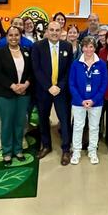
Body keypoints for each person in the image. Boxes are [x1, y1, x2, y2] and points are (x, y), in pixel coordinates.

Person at [32, 21, 74, 165]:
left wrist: (60, 86)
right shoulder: (38, 46)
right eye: (52, 30)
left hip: (61, 91)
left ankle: (66, 149)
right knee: (43, 119)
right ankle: (46, 145)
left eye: (57, 30)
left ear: (61, 31)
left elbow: (69, 69)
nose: (55, 32)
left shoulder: (67, 46)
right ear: (47, 31)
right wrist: (49, 86)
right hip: (44, 90)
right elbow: (36, 69)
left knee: (64, 119)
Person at [0, 26, 33, 166]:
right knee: (7, 123)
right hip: (5, 94)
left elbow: (31, 71)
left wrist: (26, 85)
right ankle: (7, 152)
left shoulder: (27, 52)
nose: (14, 38)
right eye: (11, 35)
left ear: (20, 37)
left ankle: (18, 149)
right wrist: (13, 86)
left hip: (24, 93)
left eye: (17, 35)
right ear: (6, 37)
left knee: (20, 122)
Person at [69, 36, 108, 165]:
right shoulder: (76, 64)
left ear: (95, 48)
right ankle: (76, 151)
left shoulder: (101, 64)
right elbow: (72, 84)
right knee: (78, 127)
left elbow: (104, 84)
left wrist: (94, 100)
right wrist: (80, 100)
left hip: (96, 103)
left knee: (94, 127)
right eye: (86, 46)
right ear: (82, 47)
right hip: (78, 102)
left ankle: (92, 151)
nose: (88, 49)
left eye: (91, 46)